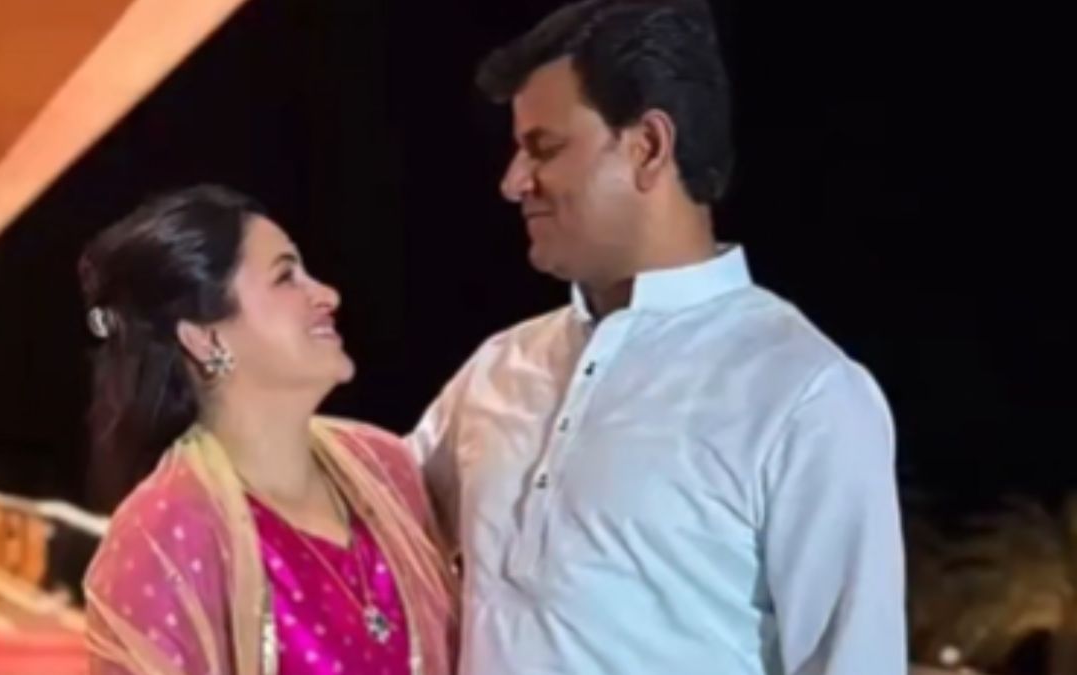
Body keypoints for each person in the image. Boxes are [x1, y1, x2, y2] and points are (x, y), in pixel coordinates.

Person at [409, 1, 906, 674]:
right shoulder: (498, 368)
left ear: (648, 146)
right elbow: (358, 520)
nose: (513, 182)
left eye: (543, 149)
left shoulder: (803, 393)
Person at [80, 185, 454, 675]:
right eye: (285, 276)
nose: (328, 295)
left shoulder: (385, 469)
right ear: (205, 338)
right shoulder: (164, 533)